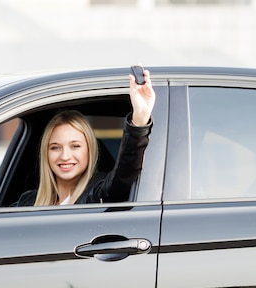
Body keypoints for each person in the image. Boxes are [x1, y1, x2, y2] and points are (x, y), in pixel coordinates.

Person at [15, 67, 156, 206]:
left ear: (90, 150)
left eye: (75, 146)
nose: (65, 156)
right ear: (45, 153)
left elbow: (123, 174)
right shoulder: (28, 202)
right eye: (55, 148)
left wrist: (139, 120)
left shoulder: (98, 195)